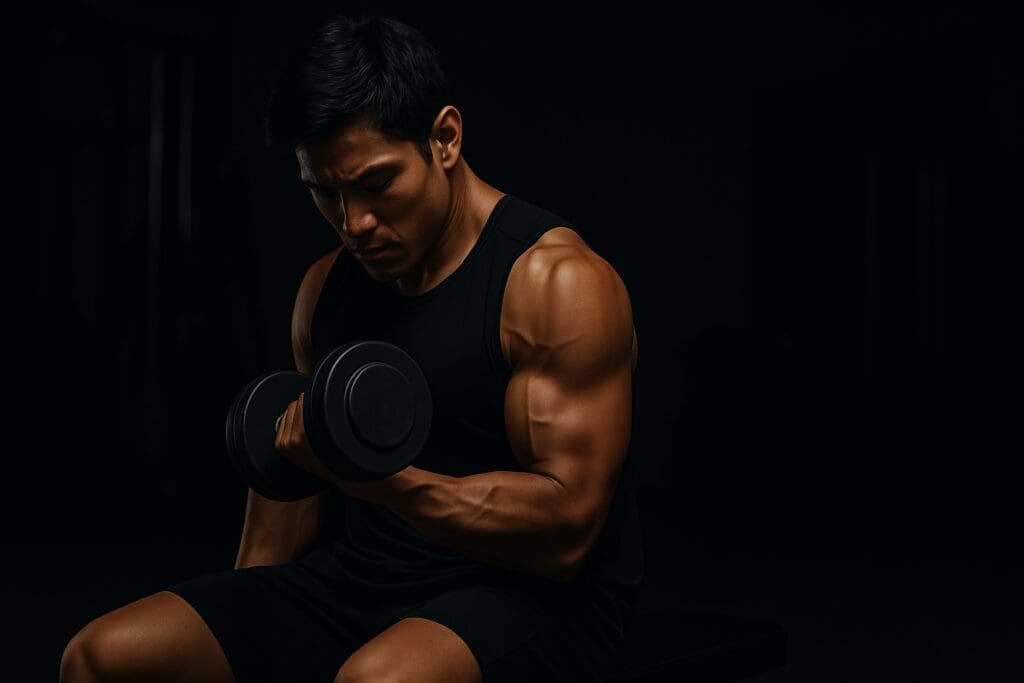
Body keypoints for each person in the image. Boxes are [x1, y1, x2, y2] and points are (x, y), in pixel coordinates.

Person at [60, 12, 644, 683]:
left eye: (375, 184)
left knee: (374, 681)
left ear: (445, 138)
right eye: (325, 193)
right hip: (365, 578)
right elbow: (294, 484)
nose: (355, 223)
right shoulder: (326, 289)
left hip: (533, 592)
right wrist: (248, 620)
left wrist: (378, 482)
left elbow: (565, 534)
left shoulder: (555, 283)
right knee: (100, 658)